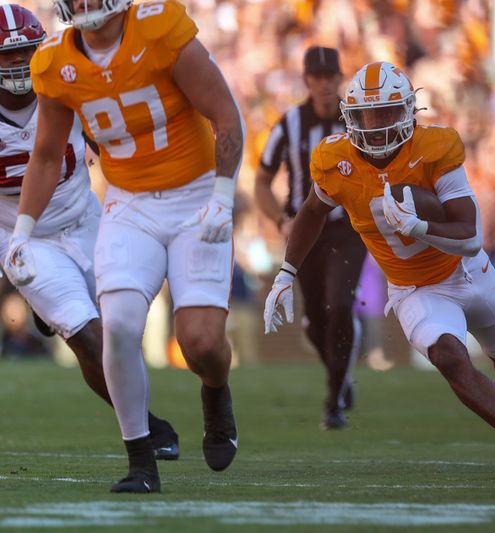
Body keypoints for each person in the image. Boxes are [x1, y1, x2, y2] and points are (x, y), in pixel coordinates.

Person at [264, 61, 495, 473]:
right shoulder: (337, 160)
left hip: (467, 270)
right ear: (351, 117)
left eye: (387, 112)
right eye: (368, 114)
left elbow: (469, 235)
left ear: (408, 111)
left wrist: (422, 226)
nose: (376, 124)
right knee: (448, 355)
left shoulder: (434, 148)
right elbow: (313, 210)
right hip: (414, 288)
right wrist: (286, 272)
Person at [9, 0, 243, 493]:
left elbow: (224, 112)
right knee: (113, 329)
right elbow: (46, 156)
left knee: (198, 342)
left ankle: (216, 392)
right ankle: (142, 460)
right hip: (128, 202)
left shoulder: (159, 27)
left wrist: (224, 196)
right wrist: (22, 234)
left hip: (192, 194)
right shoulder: (55, 61)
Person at [0, 2, 178, 460]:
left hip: (87, 219)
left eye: (26, 53)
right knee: (86, 333)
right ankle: (148, 430)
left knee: (122, 330)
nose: (19, 64)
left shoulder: (66, 81)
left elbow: (112, 141)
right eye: (8, 55)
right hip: (21, 236)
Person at [255, 46, 366, 430]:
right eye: (316, 77)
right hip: (305, 228)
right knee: (315, 320)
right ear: (307, 81)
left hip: (347, 227)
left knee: (339, 305)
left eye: (330, 77)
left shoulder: (357, 122)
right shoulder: (288, 124)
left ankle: (334, 399)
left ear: (339, 78)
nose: (323, 84)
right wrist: (280, 220)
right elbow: (262, 183)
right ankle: (341, 374)